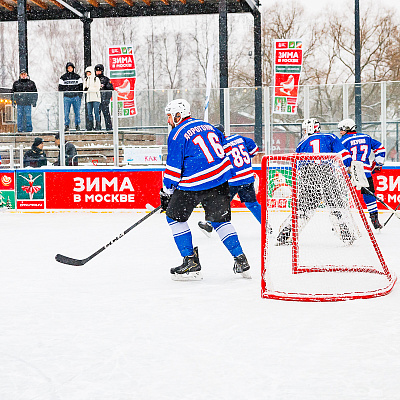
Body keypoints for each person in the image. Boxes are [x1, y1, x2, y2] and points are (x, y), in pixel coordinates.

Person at [160, 99, 251, 281]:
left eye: (170, 116)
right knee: (220, 221)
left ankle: (190, 262)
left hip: (194, 184)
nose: (169, 121)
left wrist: (167, 192)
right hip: (220, 181)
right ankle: (241, 260)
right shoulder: (209, 126)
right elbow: (224, 149)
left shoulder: (177, 134)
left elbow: (173, 170)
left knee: (173, 217)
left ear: (178, 115)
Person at [276, 118, 353, 245]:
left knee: (302, 209)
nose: (304, 132)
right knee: (336, 206)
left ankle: (285, 233)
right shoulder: (330, 136)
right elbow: (345, 155)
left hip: (309, 175)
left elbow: (297, 166)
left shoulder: (302, 143)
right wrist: (347, 167)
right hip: (327, 174)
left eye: (305, 129)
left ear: (311, 129)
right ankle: (345, 233)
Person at [198, 124, 265, 236]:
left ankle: (209, 224)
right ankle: (266, 225)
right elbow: (254, 150)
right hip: (247, 177)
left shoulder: (218, 147)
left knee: (220, 203)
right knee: (252, 204)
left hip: (233, 179)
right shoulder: (238, 138)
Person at [338, 118, 385, 229]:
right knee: (368, 194)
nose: (340, 132)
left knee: (340, 194)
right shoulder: (366, 137)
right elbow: (380, 148)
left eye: (341, 129)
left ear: (347, 129)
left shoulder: (343, 140)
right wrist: (378, 163)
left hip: (349, 172)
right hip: (365, 171)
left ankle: (341, 221)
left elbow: (339, 155)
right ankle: (375, 220)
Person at [58, 62, 83, 132]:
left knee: (77, 112)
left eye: (71, 68)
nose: (70, 69)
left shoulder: (77, 77)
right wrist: (63, 95)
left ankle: (77, 125)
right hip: (67, 98)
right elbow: (60, 88)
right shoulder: (63, 77)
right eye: (68, 68)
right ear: (67, 69)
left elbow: (81, 87)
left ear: (73, 68)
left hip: (76, 97)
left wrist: (80, 96)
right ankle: (66, 125)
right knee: (66, 113)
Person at [94, 64, 113, 131]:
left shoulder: (106, 79)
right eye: (97, 71)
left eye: (99, 71)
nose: (98, 72)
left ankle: (109, 128)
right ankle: (98, 128)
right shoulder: (93, 79)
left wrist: (107, 99)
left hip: (104, 100)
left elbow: (110, 89)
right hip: (96, 100)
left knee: (106, 115)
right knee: (97, 115)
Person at [83, 66, 101, 131]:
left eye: (89, 72)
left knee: (96, 112)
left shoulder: (96, 79)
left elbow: (97, 88)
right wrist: (87, 89)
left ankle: (98, 125)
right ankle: (90, 125)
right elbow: (84, 89)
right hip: (89, 99)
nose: (88, 74)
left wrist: (89, 89)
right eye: (87, 73)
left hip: (96, 98)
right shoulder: (86, 80)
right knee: (89, 113)